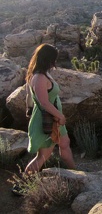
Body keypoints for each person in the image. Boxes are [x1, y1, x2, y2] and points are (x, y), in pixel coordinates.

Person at [24, 43, 76, 173]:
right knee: (42, 156)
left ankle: (75, 172)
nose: (55, 62)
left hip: (54, 119)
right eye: (54, 59)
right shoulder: (39, 78)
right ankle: (22, 183)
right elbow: (44, 103)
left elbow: (29, 98)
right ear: (48, 59)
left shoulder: (40, 74)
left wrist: (29, 110)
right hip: (47, 120)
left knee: (64, 143)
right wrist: (60, 116)